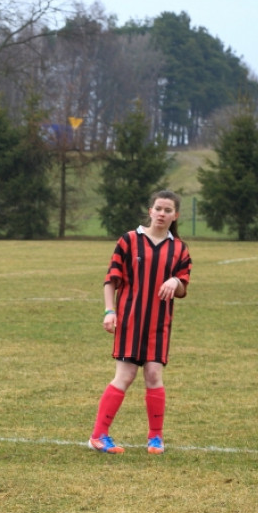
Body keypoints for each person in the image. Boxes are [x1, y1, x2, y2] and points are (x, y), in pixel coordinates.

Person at [89, 190, 191, 455]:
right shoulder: (129, 240)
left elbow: (182, 288)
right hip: (130, 320)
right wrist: (109, 311)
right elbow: (111, 279)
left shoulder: (179, 248)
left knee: (154, 375)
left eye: (168, 210)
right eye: (158, 208)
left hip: (159, 323)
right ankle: (98, 436)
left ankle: (155, 438)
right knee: (125, 375)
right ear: (150, 211)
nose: (162, 214)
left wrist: (175, 281)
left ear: (175, 215)